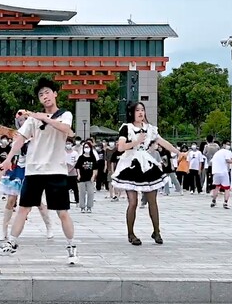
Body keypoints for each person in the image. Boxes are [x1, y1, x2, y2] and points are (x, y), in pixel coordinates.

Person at [0, 77, 79, 264]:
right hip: (34, 171)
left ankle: (72, 247)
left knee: (62, 212)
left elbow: (65, 129)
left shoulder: (65, 114)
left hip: (56, 170)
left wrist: (42, 117)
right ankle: (11, 243)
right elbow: (20, 139)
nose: (45, 96)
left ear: (55, 94)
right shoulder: (32, 120)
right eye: (41, 94)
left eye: (47, 92)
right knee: (23, 208)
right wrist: (8, 159)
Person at [111, 102, 179, 245]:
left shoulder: (150, 129)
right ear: (131, 113)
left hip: (147, 164)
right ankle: (131, 234)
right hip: (130, 164)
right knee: (133, 202)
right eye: (137, 110)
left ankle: (157, 231)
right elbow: (121, 147)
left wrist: (178, 152)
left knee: (152, 201)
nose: (141, 113)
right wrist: (136, 141)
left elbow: (163, 142)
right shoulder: (126, 128)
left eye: (142, 110)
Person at [209, 141, 232, 209]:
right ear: (224, 145)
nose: (228, 146)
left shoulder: (217, 152)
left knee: (216, 187)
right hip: (223, 172)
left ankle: (213, 201)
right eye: (227, 144)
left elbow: (211, 162)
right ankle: (225, 202)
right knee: (227, 188)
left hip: (216, 172)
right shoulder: (227, 152)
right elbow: (228, 160)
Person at [75, 141, 97, 213]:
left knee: (90, 192)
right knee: (82, 193)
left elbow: (95, 168)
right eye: (85, 147)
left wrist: (93, 176)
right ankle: (82, 207)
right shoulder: (81, 157)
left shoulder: (93, 158)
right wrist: (78, 175)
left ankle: (89, 207)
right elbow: (77, 167)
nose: (86, 149)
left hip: (90, 178)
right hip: (82, 178)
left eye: (88, 147)